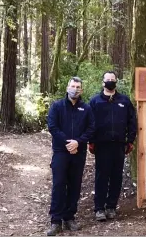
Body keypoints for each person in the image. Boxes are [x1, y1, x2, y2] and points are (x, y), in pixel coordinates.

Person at [47, 77, 95, 236]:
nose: (75, 89)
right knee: (59, 184)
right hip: (61, 151)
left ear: (81, 90)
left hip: (78, 152)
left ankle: (69, 217)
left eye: (78, 87)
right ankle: (56, 220)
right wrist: (69, 143)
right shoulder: (57, 106)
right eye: (73, 86)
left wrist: (78, 143)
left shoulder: (86, 108)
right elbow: (53, 127)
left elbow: (90, 128)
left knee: (75, 185)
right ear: (68, 88)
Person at [89, 71, 137, 221]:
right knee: (101, 176)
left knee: (116, 176)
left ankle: (111, 207)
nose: (110, 82)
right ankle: (99, 209)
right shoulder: (95, 101)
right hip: (101, 145)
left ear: (116, 82)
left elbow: (132, 121)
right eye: (107, 80)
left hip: (119, 145)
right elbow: (89, 123)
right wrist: (91, 141)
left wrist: (130, 140)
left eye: (112, 80)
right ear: (103, 82)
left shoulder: (124, 101)